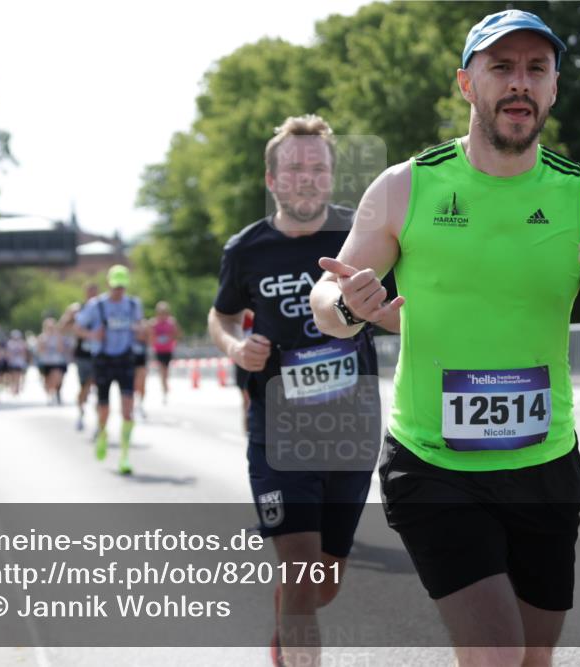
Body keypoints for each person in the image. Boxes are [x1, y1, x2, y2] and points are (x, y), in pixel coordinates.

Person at [311, 11, 580, 666]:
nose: (519, 84)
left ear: (553, 89)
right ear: (467, 84)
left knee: (534, 656)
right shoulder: (406, 186)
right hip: (435, 464)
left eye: (536, 69)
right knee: (496, 652)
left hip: (545, 465)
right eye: (501, 68)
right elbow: (327, 300)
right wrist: (348, 305)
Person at [208, 114, 393, 667]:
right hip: (279, 430)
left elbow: (396, 309)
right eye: (293, 168)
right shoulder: (246, 250)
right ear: (272, 180)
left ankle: (286, 631)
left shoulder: (361, 237)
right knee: (300, 570)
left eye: (317, 167)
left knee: (322, 582)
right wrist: (236, 349)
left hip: (351, 427)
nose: (306, 177)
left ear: (331, 176)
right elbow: (218, 317)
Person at [74, 265, 145, 474]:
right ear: (108, 284)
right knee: (104, 408)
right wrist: (92, 335)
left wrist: (140, 330)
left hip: (125, 358)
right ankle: (102, 433)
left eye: (122, 287)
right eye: (115, 287)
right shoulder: (96, 305)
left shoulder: (133, 305)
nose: (119, 291)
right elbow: (77, 328)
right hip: (103, 359)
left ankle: (124, 455)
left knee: (127, 410)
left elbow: (140, 328)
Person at [71, 284, 100, 430]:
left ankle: (99, 421)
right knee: (84, 387)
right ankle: (81, 413)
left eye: (95, 293)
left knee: (97, 386)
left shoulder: (102, 307)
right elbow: (66, 327)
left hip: (99, 354)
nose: (93, 296)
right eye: (90, 293)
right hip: (83, 354)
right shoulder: (78, 309)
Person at [150, 301, 179, 404]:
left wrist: (169, 338)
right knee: (162, 371)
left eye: (164, 312)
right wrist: (156, 341)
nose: (162, 315)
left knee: (166, 371)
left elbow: (177, 334)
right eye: (160, 313)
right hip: (159, 350)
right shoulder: (153, 323)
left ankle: (165, 387)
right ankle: (164, 390)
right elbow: (151, 337)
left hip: (168, 350)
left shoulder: (171, 322)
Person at [36, 317, 68, 406]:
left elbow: (61, 349)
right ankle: (50, 395)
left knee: (57, 378)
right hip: (45, 362)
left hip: (57, 362)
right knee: (47, 381)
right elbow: (39, 350)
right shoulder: (42, 337)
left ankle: (55, 393)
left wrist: (57, 336)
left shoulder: (59, 337)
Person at [131, 307, 149, 419]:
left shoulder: (144, 325)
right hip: (129, 358)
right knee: (131, 384)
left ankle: (141, 404)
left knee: (142, 382)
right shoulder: (127, 322)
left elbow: (148, 338)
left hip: (141, 358)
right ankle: (131, 405)